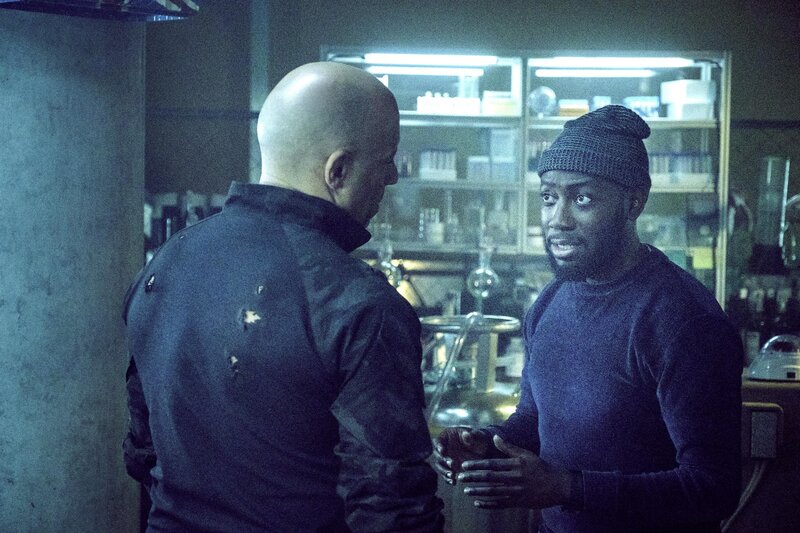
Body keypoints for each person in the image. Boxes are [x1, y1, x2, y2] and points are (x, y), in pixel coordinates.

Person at [123, 61, 443, 532]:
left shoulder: (165, 264)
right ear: (338, 170)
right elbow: (392, 510)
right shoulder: (357, 303)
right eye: (386, 158)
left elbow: (142, 452)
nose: (393, 176)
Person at [433, 105, 743, 532]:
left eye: (582, 199)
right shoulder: (551, 301)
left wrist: (567, 487)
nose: (558, 220)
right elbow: (534, 418)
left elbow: (714, 488)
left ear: (633, 203)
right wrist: (487, 443)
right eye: (549, 197)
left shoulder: (683, 322)